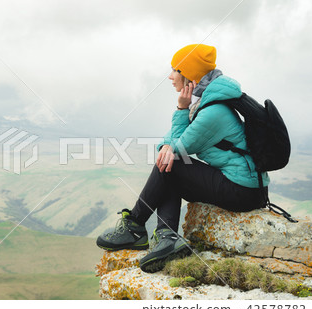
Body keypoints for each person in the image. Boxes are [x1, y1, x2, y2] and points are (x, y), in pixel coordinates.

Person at [96, 44, 269, 273]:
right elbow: (168, 144)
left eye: (176, 70)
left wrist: (179, 110)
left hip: (243, 191)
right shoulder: (204, 101)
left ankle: (136, 226)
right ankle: (166, 237)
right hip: (242, 187)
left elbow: (178, 149)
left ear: (190, 76)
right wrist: (169, 141)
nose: (170, 76)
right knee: (171, 167)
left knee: (172, 164)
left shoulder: (213, 111)